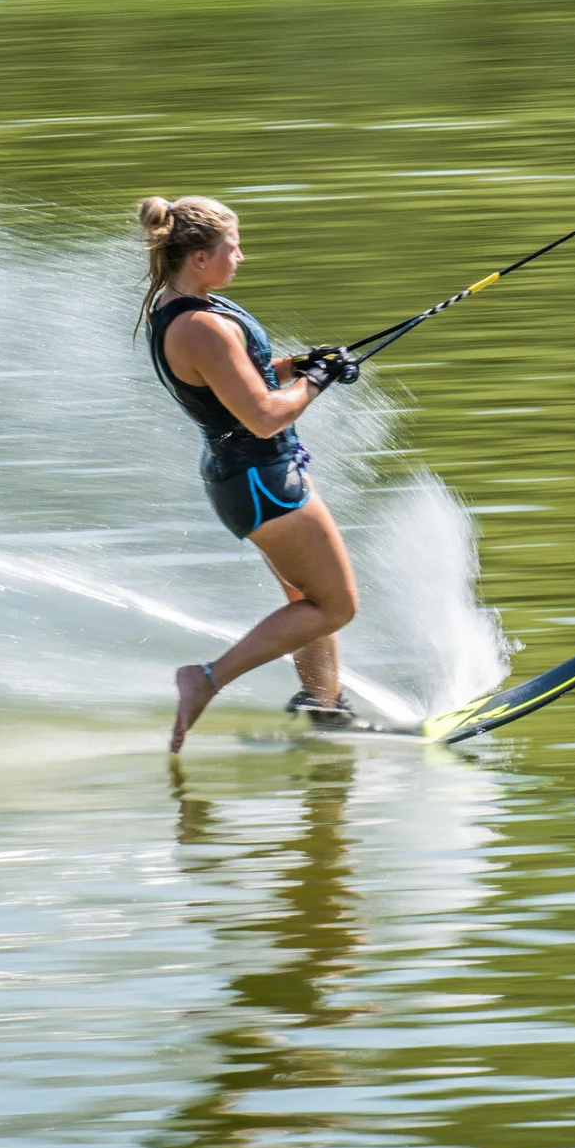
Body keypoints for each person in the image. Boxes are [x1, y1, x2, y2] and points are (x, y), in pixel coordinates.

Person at [141, 195, 363, 751]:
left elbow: (242, 378)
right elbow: (264, 417)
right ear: (199, 258)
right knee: (335, 605)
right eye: (232, 247)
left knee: (308, 601)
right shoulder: (199, 326)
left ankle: (325, 707)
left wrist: (301, 365)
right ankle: (207, 679)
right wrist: (318, 382)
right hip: (262, 480)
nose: (240, 257)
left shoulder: (186, 307)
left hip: (254, 477)